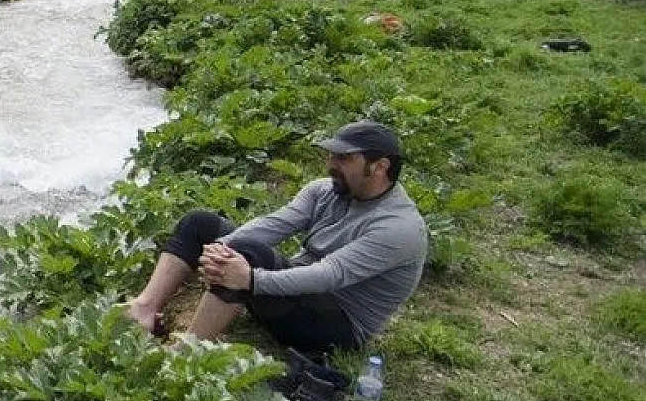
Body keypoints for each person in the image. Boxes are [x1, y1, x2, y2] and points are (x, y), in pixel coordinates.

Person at [125, 120, 428, 353]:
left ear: (380, 167)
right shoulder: (325, 190)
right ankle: (145, 310)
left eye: (344, 158)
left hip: (335, 325)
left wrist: (251, 280)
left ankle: (185, 353)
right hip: (297, 289)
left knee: (247, 256)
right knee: (201, 223)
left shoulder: (397, 228)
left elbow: (329, 276)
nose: (331, 165)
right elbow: (274, 225)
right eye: (332, 156)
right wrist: (220, 248)